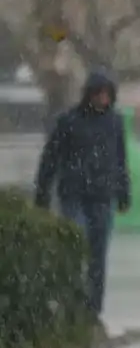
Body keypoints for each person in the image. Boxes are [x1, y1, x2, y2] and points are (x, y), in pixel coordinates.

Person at [33, 71, 131, 317]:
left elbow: (120, 159)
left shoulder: (115, 122)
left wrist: (123, 192)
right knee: (77, 245)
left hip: (102, 195)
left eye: (107, 95)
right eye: (99, 94)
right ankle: (72, 303)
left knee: (98, 255)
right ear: (90, 94)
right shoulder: (68, 121)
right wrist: (42, 192)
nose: (103, 99)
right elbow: (50, 158)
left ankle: (93, 308)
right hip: (73, 194)